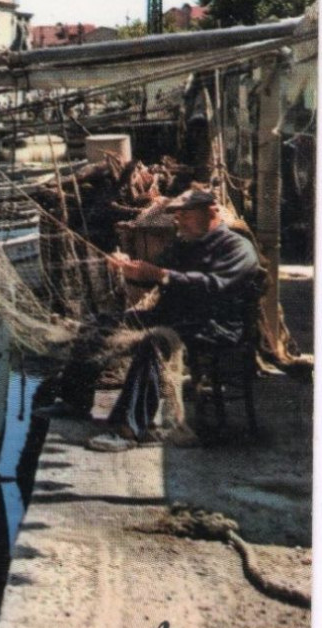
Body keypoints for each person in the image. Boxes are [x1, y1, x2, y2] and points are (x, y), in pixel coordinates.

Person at [36, 188, 264, 443]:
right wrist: (130, 270)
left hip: (213, 325)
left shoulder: (237, 247)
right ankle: (75, 401)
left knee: (155, 342)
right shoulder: (183, 243)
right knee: (100, 325)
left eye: (186, 215)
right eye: (177, 216)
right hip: (171, 316)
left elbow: (214, 285)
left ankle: (129, 428)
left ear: (211, 212)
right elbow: (154, 276)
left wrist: (159, 274)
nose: (179, 221)